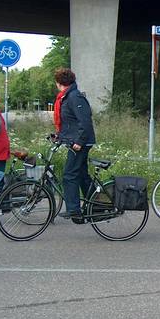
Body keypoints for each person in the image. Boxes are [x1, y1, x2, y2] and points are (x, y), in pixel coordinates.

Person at [53, 68, 96, 222]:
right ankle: (97, 204)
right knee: (82, 174)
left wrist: (79, 141)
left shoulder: (74, 97)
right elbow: (70, 122)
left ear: (59, 83)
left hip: (81, 143)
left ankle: (74, 210)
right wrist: (58, 136)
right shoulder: (67, 97)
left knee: (69, 174)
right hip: (76, 141)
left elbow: (85, 122)